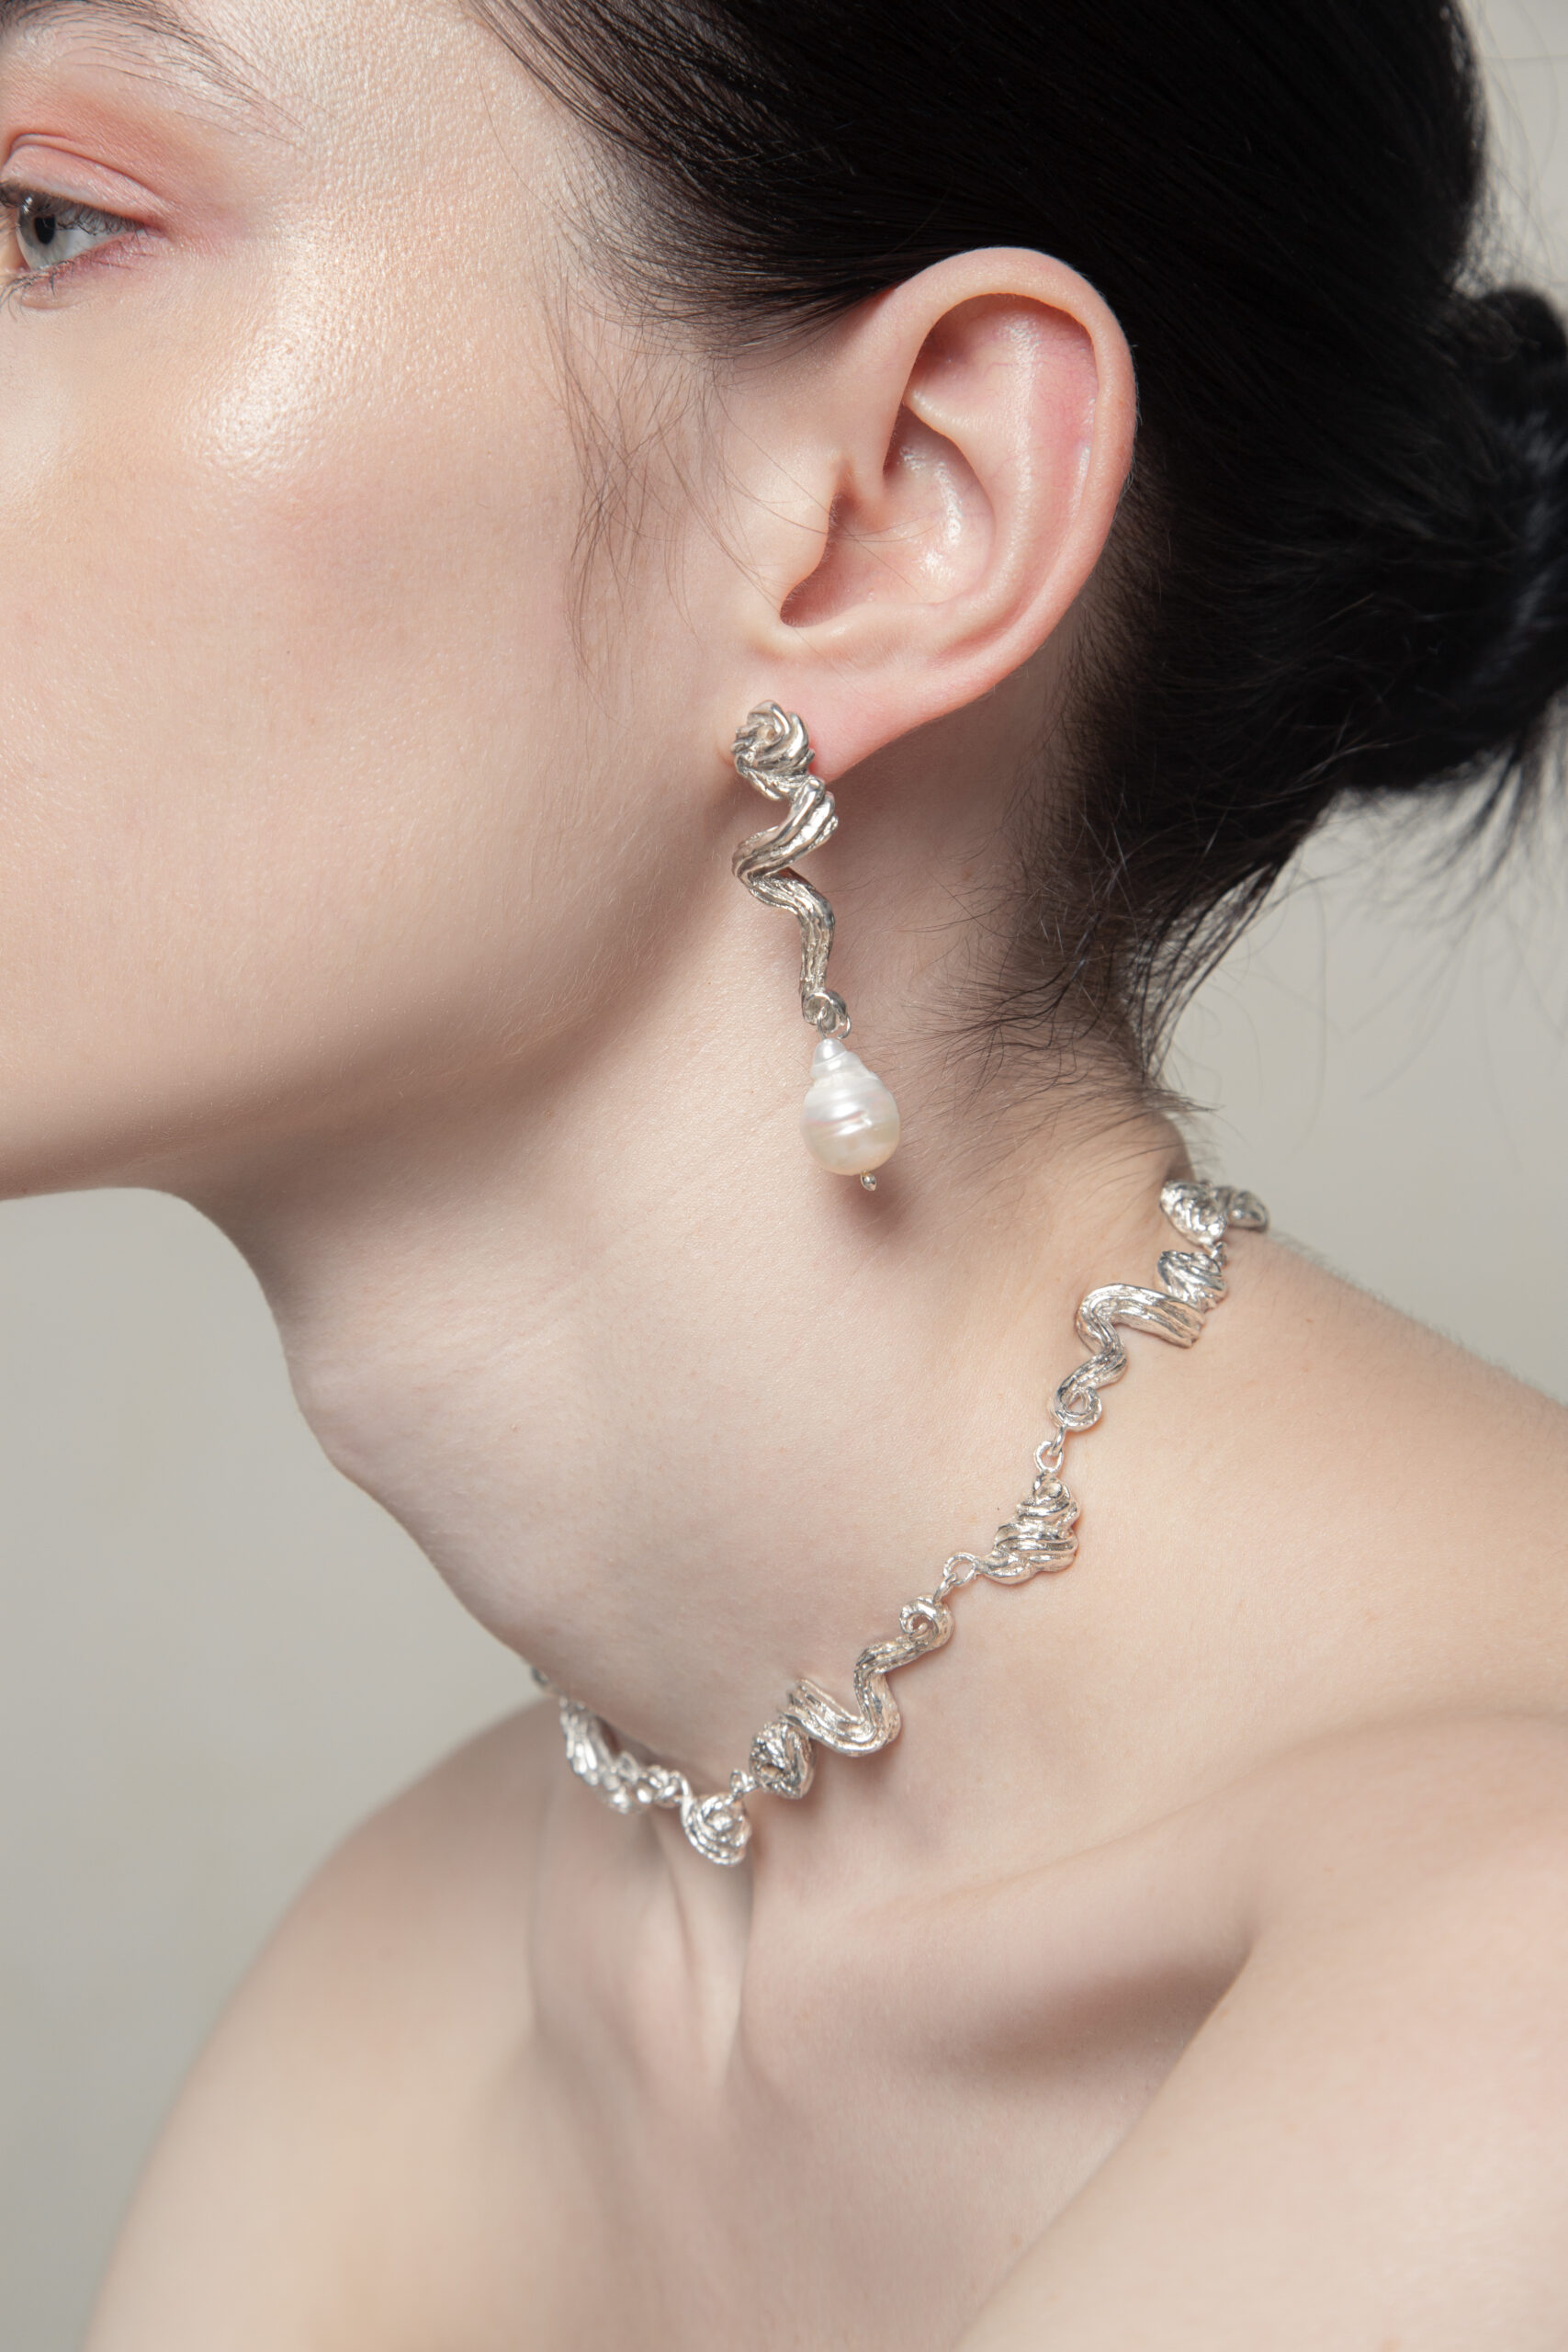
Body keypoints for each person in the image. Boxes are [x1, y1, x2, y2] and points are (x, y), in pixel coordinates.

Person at [5, 0, 1565, 2339]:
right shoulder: (413, 1980)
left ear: (894, 512)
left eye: (45, 222)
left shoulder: (1512, 2027)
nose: (21, 251)